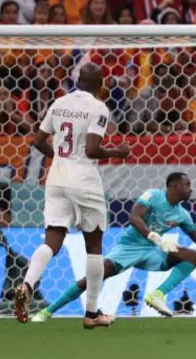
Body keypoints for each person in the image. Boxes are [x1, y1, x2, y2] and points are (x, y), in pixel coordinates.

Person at [32, 173, 196, 322]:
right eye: (187, 184)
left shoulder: (182, 214)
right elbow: (133, 217)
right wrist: (153, 236)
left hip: (153, 251)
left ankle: (157, 294)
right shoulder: (153, 196)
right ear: (173, 186)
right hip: (130, 246)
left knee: (192, 256)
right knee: (93, 278)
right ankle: (48, 311)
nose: (191, 189)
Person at [14, 63, 131, 329]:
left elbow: (38, 140)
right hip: (84, 181)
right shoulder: (99, 107)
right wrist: (116, 152)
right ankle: (91, 314)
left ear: (78, 80)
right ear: (101, 84)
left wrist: (59, 158)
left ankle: (28, 283)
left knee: (52, 238)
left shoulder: (59, 103)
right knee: (94, 245)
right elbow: (91, 149)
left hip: (56, 178)